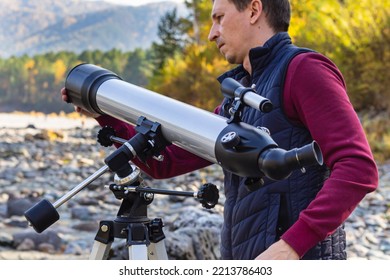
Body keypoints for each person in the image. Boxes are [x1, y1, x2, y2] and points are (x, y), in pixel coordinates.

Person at [61, 0, 378, 260]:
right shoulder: (239, 94)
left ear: (254, 10)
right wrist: (104, 114)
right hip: (244, 257)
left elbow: (358, 168)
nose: (212, 33)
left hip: (298, 260)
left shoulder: (304, 71)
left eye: (219, 18)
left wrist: (292, 245)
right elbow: (165, 162)